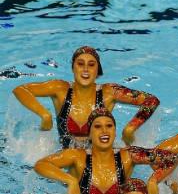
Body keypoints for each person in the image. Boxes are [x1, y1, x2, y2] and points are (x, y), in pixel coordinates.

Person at [34, 108, 178, 194]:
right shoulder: (77, 156)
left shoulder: (128, 156)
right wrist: (69, 180)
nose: (104, 131)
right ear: (89, 133)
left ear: (115, 132)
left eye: (109, 126)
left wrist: (154, 180)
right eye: (97, 127)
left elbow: (171, 158)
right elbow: (41, 165)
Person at [12, 45, 160, 148]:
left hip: (101, 159)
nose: (85, 70)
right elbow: (21, 89)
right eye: (80, 64)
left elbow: (151, 100)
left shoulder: (109, 92)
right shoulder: (59, 89)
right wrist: (44, 115)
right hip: (68, 160)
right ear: (73, 67)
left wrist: (130, 128)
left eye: (91, 65)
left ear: (98, 70)